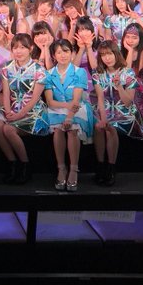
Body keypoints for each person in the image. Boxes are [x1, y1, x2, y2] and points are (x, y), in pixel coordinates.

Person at [0, 33, 49, 184]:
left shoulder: (39, 70)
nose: (19, 51)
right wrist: (7, 111)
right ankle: (12, 163)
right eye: (15, 48)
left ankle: (25, 165)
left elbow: (35, 98)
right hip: (12, 108)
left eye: (23, 47)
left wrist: (19, 115)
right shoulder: (7, 68)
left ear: (31, 48)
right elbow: (6, 93)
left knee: (8, 129)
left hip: (33, 111)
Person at [92, 41, 143, 187]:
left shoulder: (128, 73)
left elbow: (128, 102)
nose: (107, 58)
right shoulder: (97, 73)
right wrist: (103, 118)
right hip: (104, 108)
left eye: (110, 54)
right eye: (103, 55)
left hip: (124, 110)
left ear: (116, 54)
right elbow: (100, 98)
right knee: (98, 126)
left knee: (110, 127)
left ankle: (111, 168)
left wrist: (119, 86)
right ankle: (100, 165)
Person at [43, 39, 94, 192]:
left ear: (72, 53)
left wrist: (69, 117)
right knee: (58, 130)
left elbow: (76, 101)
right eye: (59, 52)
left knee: (72, 130)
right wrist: (66, 107)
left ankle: (73, 169)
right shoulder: (48, 74)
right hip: (57, 108)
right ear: (54, 56)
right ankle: (61, 169)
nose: (63, 55)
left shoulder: (79, 72)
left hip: (77, 109)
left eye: (66, 51)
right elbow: (50, 102)